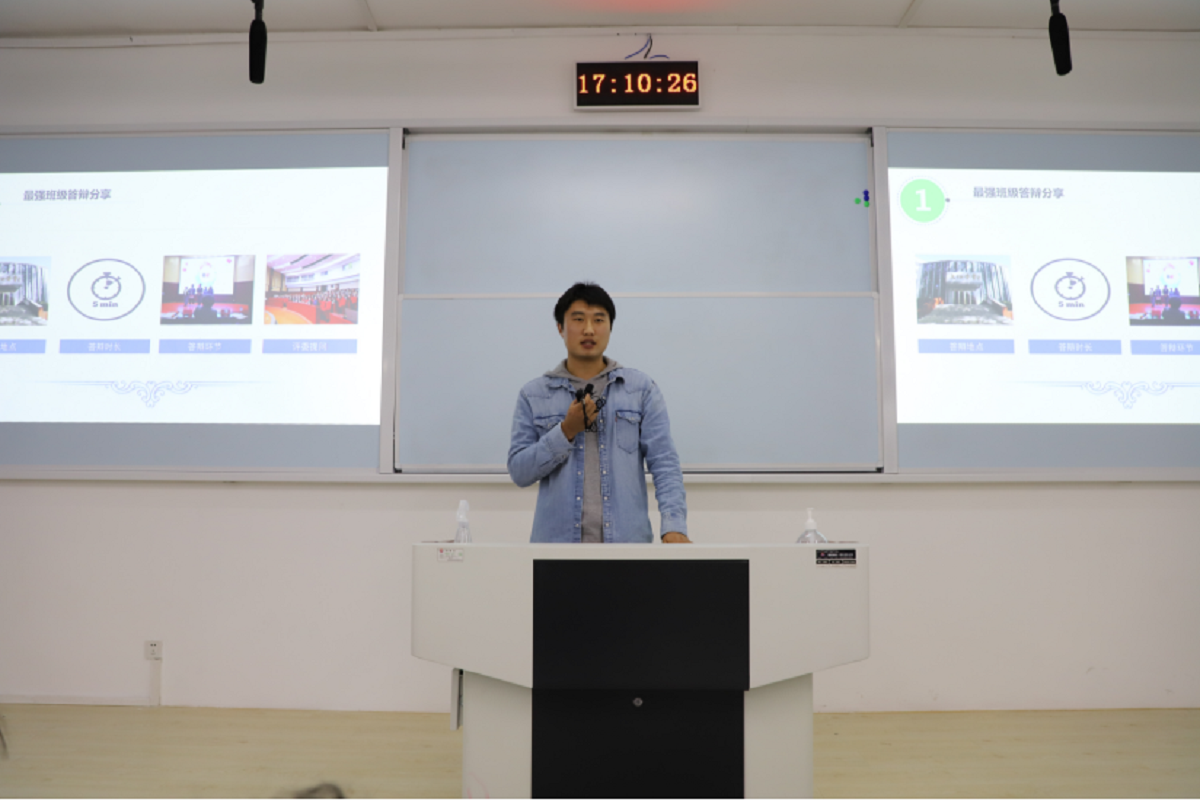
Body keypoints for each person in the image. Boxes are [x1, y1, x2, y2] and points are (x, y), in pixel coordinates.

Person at [508, 282, 689, 544]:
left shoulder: (639, 389)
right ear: (560, 328)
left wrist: (674, 527)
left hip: (627, 547)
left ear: (610, 327)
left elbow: (665, 463)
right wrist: (565, 432)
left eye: (599, 320)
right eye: (578, 319)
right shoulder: (534, 394)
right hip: (556, 549)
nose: (589, 329)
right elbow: (519, 472)